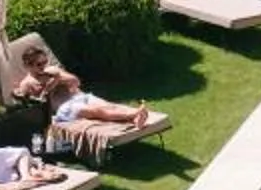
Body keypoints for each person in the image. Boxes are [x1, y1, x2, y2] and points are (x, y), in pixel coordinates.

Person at [11, 34, 156, 138]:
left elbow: (76, 82)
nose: (43, 66)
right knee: (97, 110)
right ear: (27, 66)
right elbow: (31, 109)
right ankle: (135, 114)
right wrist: (46, 90)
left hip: (79, 97)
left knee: (108, 105)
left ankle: (135, 119)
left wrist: (58, 79)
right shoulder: (27, 84)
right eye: (38, 64)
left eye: (45, 62)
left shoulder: (53, 71)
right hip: (64, 109)